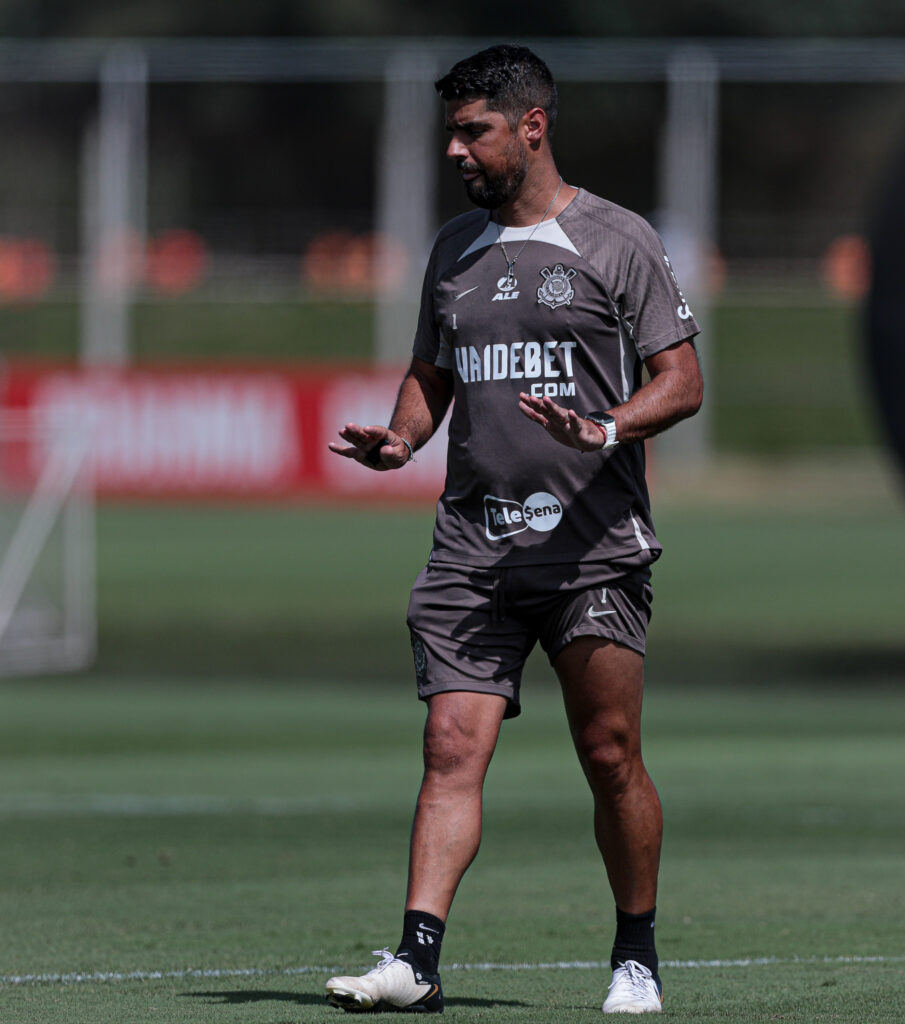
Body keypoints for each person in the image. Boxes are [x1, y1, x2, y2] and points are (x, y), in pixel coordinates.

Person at [325, 43, 703, 1015]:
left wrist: (609, 425)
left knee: (609, 750)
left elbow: (681, 381)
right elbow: (430, 373)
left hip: (589, 549)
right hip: (472, 546)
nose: (455, 149)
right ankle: (415, 957)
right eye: (450, 131)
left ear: (531, 125)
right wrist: (404, 439)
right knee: (450, 745)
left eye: (472, 130)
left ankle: (634, 951)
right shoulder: (452, 250)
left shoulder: (617, 239)